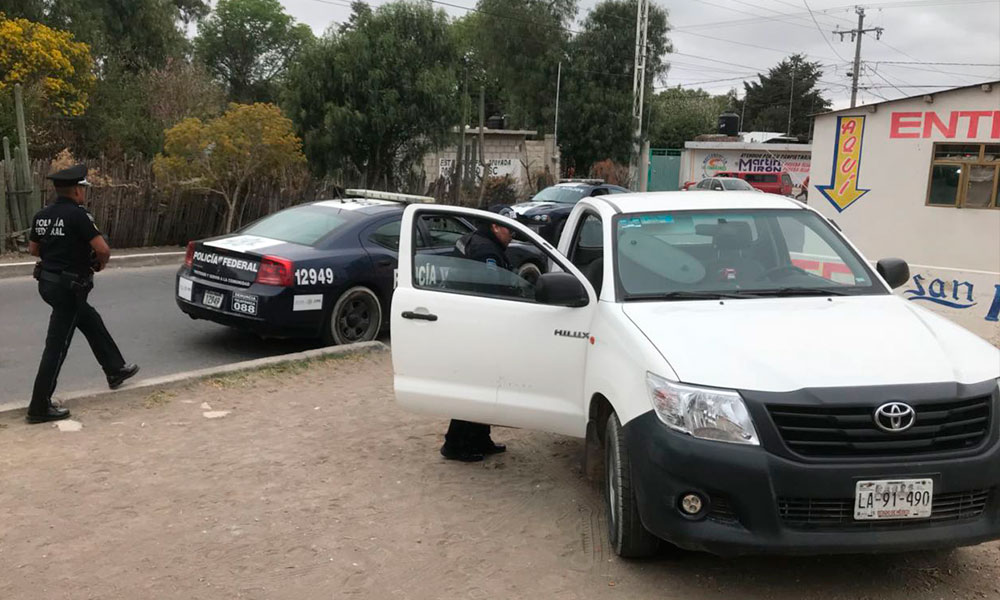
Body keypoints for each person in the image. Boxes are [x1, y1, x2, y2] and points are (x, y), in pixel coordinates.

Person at [26, 164, 139, 424]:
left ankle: (115, 369)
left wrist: (57, 256)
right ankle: (39, 406)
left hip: (48, 284)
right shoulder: (79, 215)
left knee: (89, 319)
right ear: (76, 190)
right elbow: (103, 250)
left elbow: (34, 249)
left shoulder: (42, 215)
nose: (84, 194)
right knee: (56, 346)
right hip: (68, 290)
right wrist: (97, 264)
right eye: (83, 189)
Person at [439, 219, 514, 462]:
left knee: (482, 385)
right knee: (475, 386)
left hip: (466, 319)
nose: (512, 234)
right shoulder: (486, 252)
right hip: (477, 325)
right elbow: (493, 291)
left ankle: (480, 438)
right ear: (494, 227)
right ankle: (455, 445)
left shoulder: (473, 239)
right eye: (508, 229)